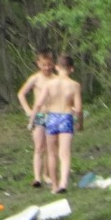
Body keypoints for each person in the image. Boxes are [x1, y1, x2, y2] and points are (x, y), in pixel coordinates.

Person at [31, 54, 82, 194]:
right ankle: (63, 183)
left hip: (52, 117)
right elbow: (78, 109)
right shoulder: (74, 85)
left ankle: (54, 186)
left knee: (51, 154)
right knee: (64, 153)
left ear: (57, 67)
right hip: (66, 117)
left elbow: (38, 104)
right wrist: (80, 123)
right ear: (71, 69)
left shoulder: (49, 84)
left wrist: (32, 121)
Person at [17, 51, 57, 188]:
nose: (46, 68)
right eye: (43, 65)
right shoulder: (35, 78)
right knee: (39, 146)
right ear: (38, 64)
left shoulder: (55, 79)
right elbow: (21, 94)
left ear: (52, 64)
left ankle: (47, 174)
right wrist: (28, 110)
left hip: (52, 115)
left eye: (49, 65)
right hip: (38, 116)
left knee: (50, 148)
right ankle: (37, 178)